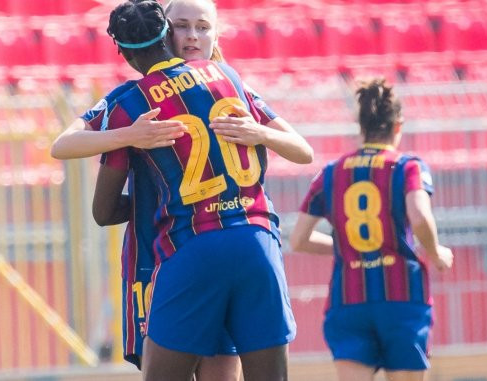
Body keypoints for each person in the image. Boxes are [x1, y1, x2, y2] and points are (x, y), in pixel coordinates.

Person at [52, 0, 311, 379]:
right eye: (183, 26)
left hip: (190, 245)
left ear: (122, 52)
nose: (191, 36)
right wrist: (261, 135)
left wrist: (130, 137)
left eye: (201, 27)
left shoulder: (130, 102)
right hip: (257, 240)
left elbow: (79, 173)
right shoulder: (229, 78)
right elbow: (303, 151)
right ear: (167, 34)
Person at [289, 78, 454, 381]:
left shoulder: (330, 173)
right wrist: (436, 251)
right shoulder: (408, 167)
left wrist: (348, 246)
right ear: (398, 127)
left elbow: (298, 239)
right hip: (401, 295)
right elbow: (419, 217)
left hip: (349, 298)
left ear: (361, 128)